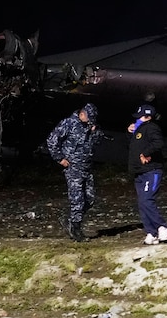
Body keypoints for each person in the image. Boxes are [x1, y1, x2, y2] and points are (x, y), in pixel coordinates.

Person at [46, 102, 101, 242]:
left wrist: (95, 131)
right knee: (77, 200)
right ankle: (75, 229)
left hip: (87, 167)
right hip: (73, 168)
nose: (90, 121)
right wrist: (60, 158)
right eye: (88, 118)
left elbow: (98, 141)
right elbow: (52, 140)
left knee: (90, 199)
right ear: (82, 114)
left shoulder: (90, 125)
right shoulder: (68, 123)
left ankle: (70, 220)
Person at [127, 103, 167, 245]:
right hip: (139, 172)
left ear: (147, 117)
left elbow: (158, 143)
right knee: (142, 203)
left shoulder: (152, 128)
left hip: (151, 170)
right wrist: (130, 133)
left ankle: (162, 227)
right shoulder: (139, 129)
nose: (137, 119)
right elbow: (134, 146)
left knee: (147, 200)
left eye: (140, 117)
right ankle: (151, 233)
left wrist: (146, 153)